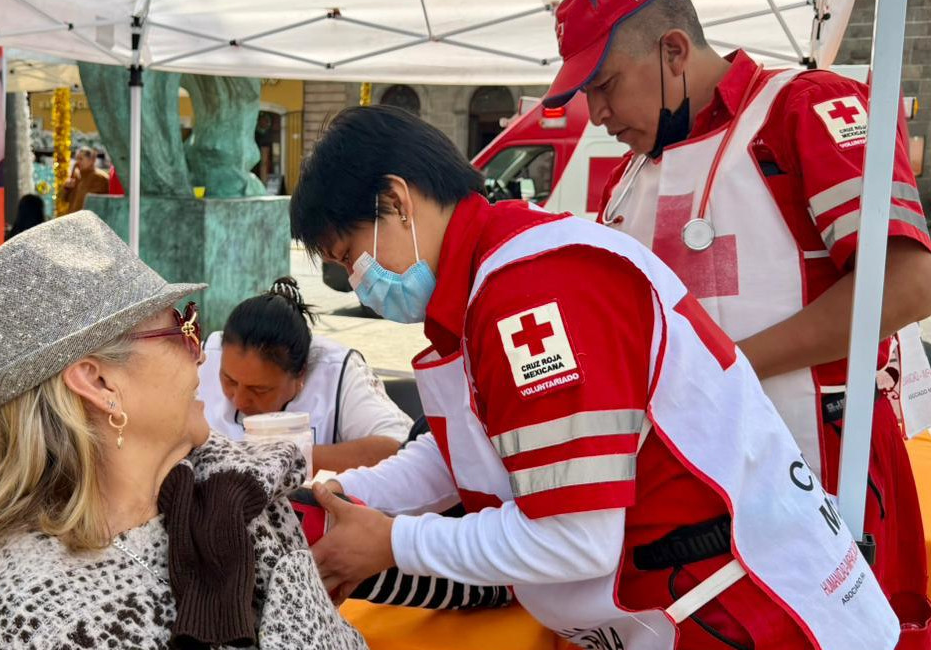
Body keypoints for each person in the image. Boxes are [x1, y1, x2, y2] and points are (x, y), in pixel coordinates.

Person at [293, 105, 900, 650]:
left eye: (352, 256)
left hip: (748, 614)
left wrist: (393, 543)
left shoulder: (529, 291)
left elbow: (574, 537)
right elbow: (464, 457)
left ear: (397, 201)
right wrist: (346, 499)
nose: (362, 286)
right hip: (684, 608)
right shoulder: (486, 285)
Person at [542, 0, 931, 614]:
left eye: (604, 85)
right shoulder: (625, 180)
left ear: (672, 50)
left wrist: (725, 372)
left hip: (825, 478)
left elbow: (907, 283)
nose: (597, 114)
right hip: (690, 509)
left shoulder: (803, 107)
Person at [0, 211, 365, 650]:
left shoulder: (235, 496)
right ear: (100, 384)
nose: (200, 355)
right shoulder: (30, 622)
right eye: (183, 327)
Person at [198, 277, 413, 472]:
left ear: (300, 374)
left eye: (259, 389)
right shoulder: (204, 356)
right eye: (229, 380)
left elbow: (398, 448)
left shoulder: (337, 369)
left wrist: (286, 459)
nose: (239, 400)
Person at [61, 146, 110, 213]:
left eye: (81, 159)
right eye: (77, 159)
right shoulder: (75, 175)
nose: (77, 162)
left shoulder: (101, 178)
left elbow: (104, 204)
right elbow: (65, 199)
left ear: (92, 160)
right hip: (74, 218)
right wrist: (67, 188)